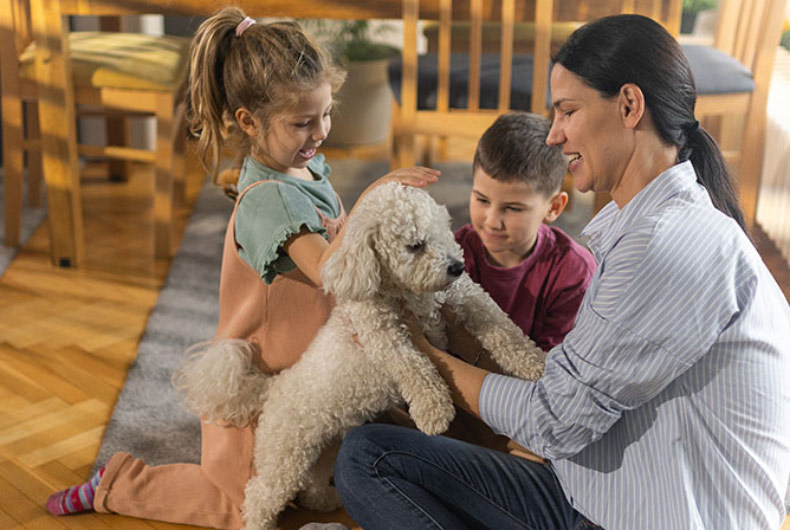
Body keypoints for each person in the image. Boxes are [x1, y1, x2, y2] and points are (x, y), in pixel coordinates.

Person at [333, 14, 790, 530]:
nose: (554, 135)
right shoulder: (643, 227)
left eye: (567, 111)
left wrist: (423, 355)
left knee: (373, 460)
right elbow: (574, 392)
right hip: (595, 492)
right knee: (369, 453)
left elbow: (555, 420)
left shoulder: (671, 243)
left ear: (629, 105)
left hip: (638, 515)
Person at [45, 8, 437, 529]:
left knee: (330, 468)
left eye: (325, 114)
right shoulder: (269, 199)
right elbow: (328, 272)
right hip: (259, 392)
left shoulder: (305, 167)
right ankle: (115, 486)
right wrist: (372, 201)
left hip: (307, 379)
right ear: (249, 122)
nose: (319, 131)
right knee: (242, 503)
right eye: (302, 122)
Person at [455, 112, 596, 352]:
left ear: (553, 208)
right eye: (482, 199)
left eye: (512, 208)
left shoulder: (574, 274)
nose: (492, 222)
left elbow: (549, 372)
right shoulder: (454, 251)